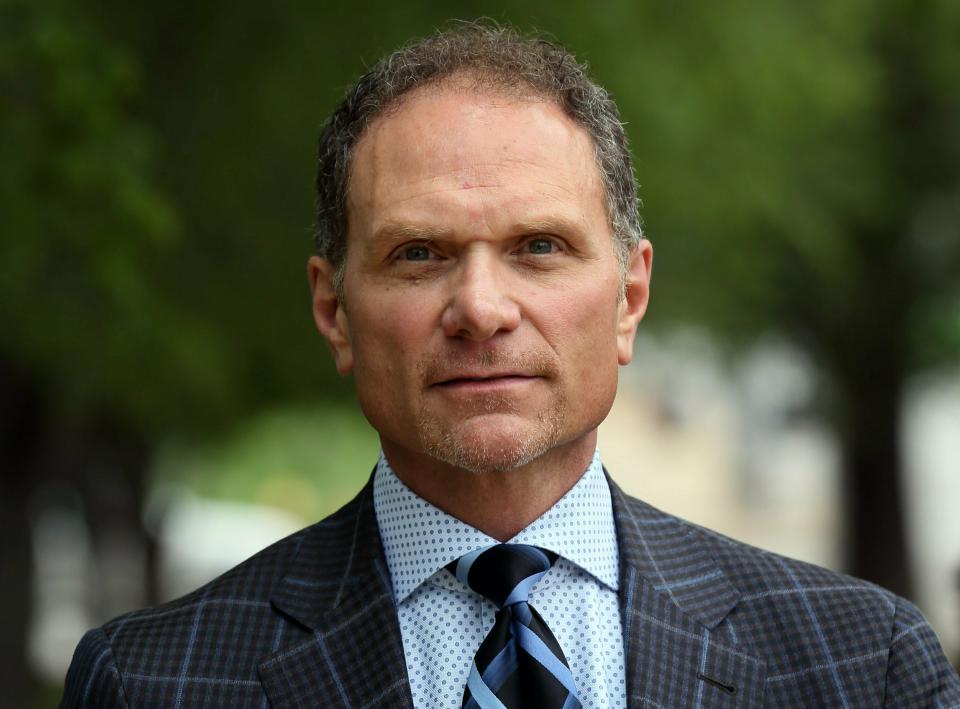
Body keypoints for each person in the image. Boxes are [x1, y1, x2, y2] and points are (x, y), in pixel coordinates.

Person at [62, 22, 959, 708]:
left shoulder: (860, 664)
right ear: (334, 310)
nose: (482, 309)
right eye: (418, 253)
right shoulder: (152, 680)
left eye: (538, 245)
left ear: (629, 299)